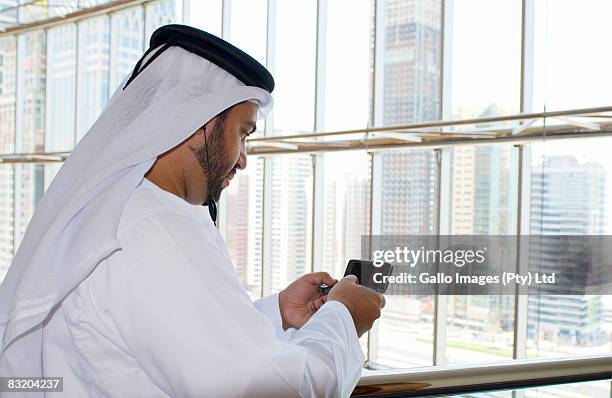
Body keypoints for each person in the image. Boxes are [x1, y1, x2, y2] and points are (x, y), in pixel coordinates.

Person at [0, 25, 385, 397]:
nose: (243, 159)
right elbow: (268, 391)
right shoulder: (155, 229)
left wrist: (277, 312)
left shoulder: (118, 211)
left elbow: (154, 342)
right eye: (243, 133)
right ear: (201, 122)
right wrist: (344, 317)